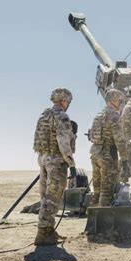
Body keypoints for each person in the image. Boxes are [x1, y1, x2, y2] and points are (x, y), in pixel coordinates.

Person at [33, 88, 76, 246]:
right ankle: (43, 233)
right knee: (53, 197)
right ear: (64, 101)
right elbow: (63, 141)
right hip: (57, 160)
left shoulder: (44, 114)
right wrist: (70, 162)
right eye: (68, 101)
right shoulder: (62, 116)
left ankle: (48, 230)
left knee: (45, 195)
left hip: (43, 158)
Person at [89, 89, 129, 206]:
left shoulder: (99, 115)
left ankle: (94, 218)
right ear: (114, 100)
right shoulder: (114, 115)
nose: (121, 104)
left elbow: (92, 135)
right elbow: (120, 140)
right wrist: (125, 159)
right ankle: (103, 220)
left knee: (97, 190)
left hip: (95, 153)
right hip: (108, 156)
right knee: (107, 191)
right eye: (120, 101)